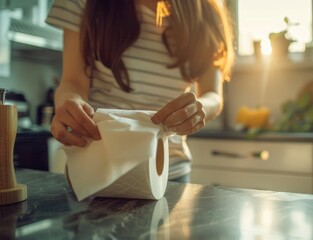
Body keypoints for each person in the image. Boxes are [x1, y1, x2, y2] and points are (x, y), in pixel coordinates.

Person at [46, 0, 235, 182]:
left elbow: (213, 95)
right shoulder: (81, 2)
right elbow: (72, 82)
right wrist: (69, 102)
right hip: (97, 167)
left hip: (169, 170)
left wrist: (199, 108)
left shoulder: (205, 11)